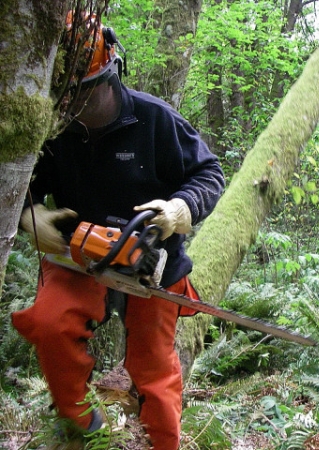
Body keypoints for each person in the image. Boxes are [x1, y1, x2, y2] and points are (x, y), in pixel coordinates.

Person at [12, 13, 225, 450]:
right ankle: (83, 424)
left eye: (88, 95)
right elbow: (17, 183)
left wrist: (179, 208)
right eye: (70, 98)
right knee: (49, 325)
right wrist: (30, 216)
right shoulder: (52, 130)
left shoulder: (154, 119)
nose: (79, 108)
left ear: (111, 77)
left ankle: (165, 442)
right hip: (76, 251)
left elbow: (209, 173)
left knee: (153, 368)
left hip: (152, 258)